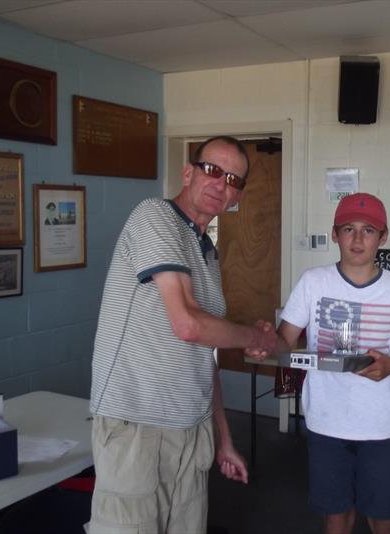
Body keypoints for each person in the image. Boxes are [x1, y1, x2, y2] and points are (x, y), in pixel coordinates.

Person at [88, 136, 277, 534]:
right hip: (137, 426)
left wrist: (223, 438)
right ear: (188, 172)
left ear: (236, 196)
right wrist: (252, 337)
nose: (220, 183)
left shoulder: (206, 251)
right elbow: (188, 325)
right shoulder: (154, 216)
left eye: (232, 179)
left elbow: (203, 357)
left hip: (192, 429)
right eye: (211, 170)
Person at [248, 193, 390, 534]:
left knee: (383, 517)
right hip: (326, 422)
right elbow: (284, 341)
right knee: (336, 515)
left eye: (368, 230)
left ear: (384, 236)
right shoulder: (313, 282)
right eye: (349, 229)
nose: (358, 239)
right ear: (335, 234)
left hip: (380, 425)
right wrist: (262, 342)